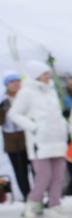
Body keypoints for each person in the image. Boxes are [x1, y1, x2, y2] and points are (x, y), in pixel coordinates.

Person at [8, 62, 71, 218]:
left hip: (57, 138)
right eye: (44, 73)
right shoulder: (26, 92)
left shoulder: (51, 90)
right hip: (40, 141)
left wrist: (63, 126)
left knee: (58, 176)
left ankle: (54, 206)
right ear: (35, 74)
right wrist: (33, 126)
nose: (47, 76)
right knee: (44, 176)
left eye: (47, 73)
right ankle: (32, 203)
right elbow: (14, 114)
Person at [1, 71, 32, 201]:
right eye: (12, 82)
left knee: (37, 169)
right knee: (20, 171)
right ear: (7, 85)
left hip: (28, 136)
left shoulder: (26, 96)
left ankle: (39, 196)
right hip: (12, 139)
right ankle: (27, 197)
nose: (15, 84)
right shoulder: (3, 100)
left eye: (17, 81)